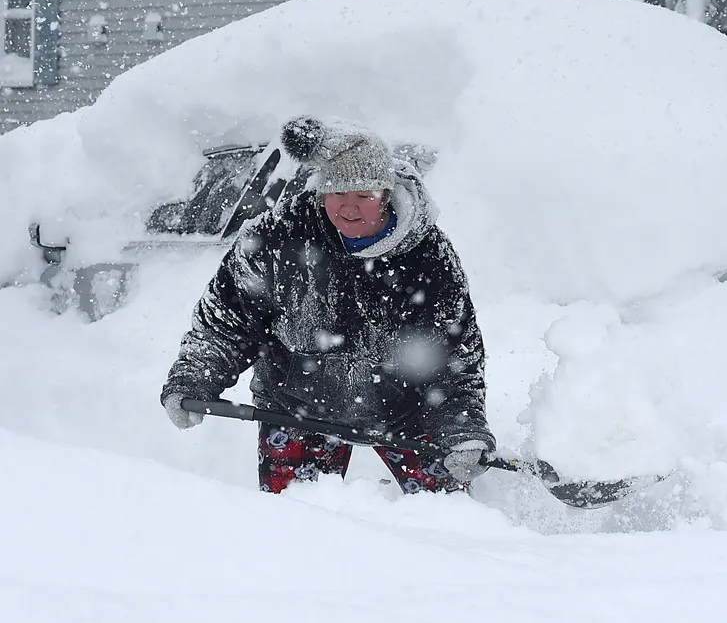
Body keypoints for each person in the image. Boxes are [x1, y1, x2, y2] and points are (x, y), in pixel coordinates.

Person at [160, 116, 496, 495]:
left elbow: (453, 355)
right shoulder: (277, 237)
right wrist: (195, 376)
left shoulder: (427, 256)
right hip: (297, 409)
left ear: (384, 194)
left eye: (364, 196)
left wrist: (462, 428)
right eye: (338, 194)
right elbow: (226, 322)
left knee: (449, 527)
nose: (350, 209)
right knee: (297, 531)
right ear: (320, 192)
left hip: (408, 409)